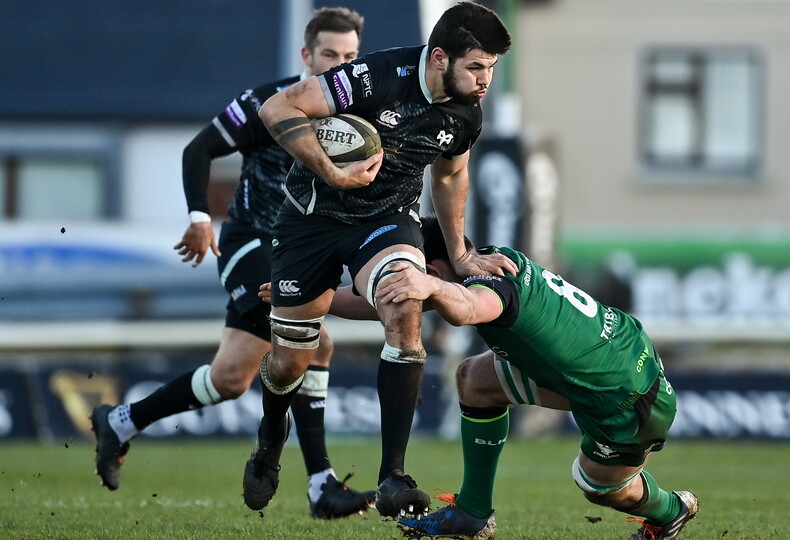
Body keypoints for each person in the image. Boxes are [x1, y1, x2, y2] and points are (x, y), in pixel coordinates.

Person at [89, 7, 375, 519]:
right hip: (249, 241)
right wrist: (200, 217)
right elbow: (199, 150)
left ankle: (122, 421)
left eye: (350, 56)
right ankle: (320, 486)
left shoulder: (361, 117)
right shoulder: (268, 103)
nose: (339, 65)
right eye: (330, 54)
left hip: (301, 251)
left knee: (229, 379)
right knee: (313, 338)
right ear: (306, 55)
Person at [246, 1, 516, 519]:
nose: (485, 81)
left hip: (386, 220)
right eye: (476, 67)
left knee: (404, 303)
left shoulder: (466, 113)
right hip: (310, 219)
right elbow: (277, 108)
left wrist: (459, 255)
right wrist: (332, 171)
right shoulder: (375, 76)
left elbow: (450, 175)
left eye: (491, 69)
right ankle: (268, 442)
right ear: (439, 58)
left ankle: (393, 474)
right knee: (287, 364)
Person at [367, 216, 699, 540]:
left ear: (433, 271)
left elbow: (467, 308)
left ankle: (671, 509)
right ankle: (473, 512)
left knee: (597, 487)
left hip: (630, 401)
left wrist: (429, 284)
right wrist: (316, 303)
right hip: (621, 357)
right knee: (476, 380)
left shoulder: (485, 290)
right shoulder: (494, 261)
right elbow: (382, 299)